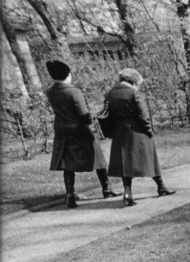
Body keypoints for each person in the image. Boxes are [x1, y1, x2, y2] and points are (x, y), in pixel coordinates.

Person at [44, 59, 116, 208]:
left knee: (67, 163)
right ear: (67, 75)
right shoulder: (73, 92)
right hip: (79, 129)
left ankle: (70, 195)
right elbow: (83, 114)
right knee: (98, 157)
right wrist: (92, 117)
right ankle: (106, 188)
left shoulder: (50, 92)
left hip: (62, 130)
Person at [103, 67, 174, 207]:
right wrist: (149, 131)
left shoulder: (110, 94)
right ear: (134, 81)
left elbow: (107, 115)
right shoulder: (134, 94)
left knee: (125, 164)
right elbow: (143, 116)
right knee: (150, 158)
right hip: (137, 131)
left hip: (119, 132)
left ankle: (128, 192)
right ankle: (161, 186)